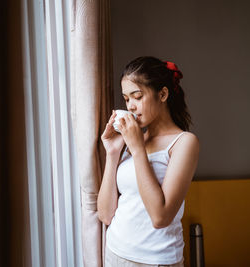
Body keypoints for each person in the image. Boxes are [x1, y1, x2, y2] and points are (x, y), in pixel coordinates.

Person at [97, 56, 200, 267]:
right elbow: (106, 215)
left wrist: (136, 149)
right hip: (115, 253)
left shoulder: (184, 143)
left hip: (156, 261)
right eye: (126, 99)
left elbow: (160, 217)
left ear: (162, 94)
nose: (131, 106)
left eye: (137, 96)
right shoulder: (133, 141)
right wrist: (113, 152)